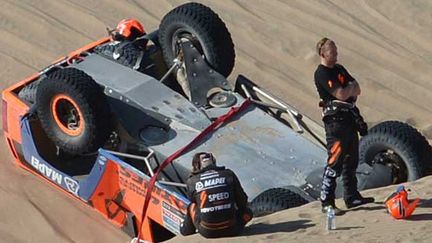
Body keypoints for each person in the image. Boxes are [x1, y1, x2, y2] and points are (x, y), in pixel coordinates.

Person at [314, 37, 374, 215]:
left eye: (336, 50)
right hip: (334, 123)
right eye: (332, 51)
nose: (336, 53)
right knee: (334, 162)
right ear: (323, 53)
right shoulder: (322, 73)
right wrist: (349, 89)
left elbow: (358, 89)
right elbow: (341, 93)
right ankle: (327, 202)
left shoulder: (339, 69)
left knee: (351, 160)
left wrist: (350, 89)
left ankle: (352, 197)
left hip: (349, 119)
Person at [180, 152, 253, 238]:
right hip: (232, 229)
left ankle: (185, 230)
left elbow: (193, 200)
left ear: (196, 166)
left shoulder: (192, 181)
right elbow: (242, 200)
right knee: (248, 212)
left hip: (207, 232)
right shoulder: (229, 174)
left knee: (191, 206)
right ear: (214, 162)